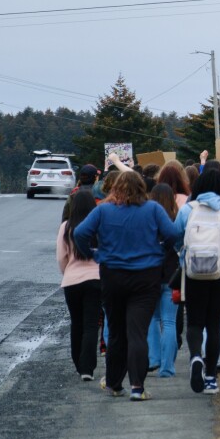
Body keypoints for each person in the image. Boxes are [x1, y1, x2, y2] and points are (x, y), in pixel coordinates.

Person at [74, 171, 178, 401]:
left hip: (112, 275)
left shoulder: (103, 210)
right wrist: (160, 250)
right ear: (142, 188)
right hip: (146, 275)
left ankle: (113, 383)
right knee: (137, 332)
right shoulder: (152, 209)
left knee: (117, 331)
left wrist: (93, 254)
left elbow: (80, 233)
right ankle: (137, 387)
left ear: (115, 188)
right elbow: (173, 233)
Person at [173, 170, 220, 395]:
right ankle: (211, 377)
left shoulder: (187, 210)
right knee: (214, 324)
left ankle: (195, 358)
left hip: (193, 273)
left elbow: (176, 237)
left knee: (194, 322)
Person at [56, 190, 101, 382]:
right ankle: (87, 368)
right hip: (96, 278)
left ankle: (77, 363)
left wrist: (68, 271)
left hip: (72, 280)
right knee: (91, 324)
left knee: (77, 322)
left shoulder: (66, 227)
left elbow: (61, 257)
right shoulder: (99, 225)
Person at [146, 184, 180, 378]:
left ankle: (154, 358)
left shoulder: (147, 219)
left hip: (150, 274)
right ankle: (167, 367)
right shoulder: (175, 220)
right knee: (169, 321)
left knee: (153, 319)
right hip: (171, 275)